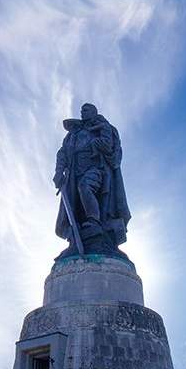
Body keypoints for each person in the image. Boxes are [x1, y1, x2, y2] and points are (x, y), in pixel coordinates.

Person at [53, 103, 131, 259]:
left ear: (94, 112)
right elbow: (62, 153)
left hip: (96, 168)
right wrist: (58, 171)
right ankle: (78, 237)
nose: (83, 112)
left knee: (85, 187)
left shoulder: (104, 127)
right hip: (74, 172)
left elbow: (108, 147)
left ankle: (94, 222)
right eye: (81, 110)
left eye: (86, 110)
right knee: (76, 207)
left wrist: (98, 137)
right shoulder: (73, 134)